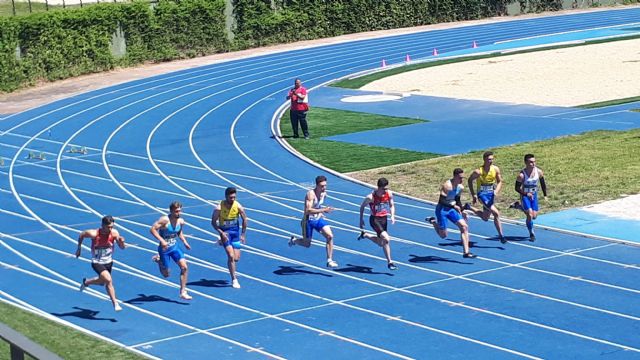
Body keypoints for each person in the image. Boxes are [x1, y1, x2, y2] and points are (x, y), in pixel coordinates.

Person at [76, 215, 126, 311]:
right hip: (97, 262)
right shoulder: (94, 233)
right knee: (108, 280)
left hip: (109, 261)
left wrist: (121, 242)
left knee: (103, 282)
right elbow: (82, 234)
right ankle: (115, 303)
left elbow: (122, 247)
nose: (110, 229)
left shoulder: (114, 233)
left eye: (112, 227)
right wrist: (79, 248)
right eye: (108, 227)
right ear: (102, 225)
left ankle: (86, 282)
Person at [289, 175, 338, 268]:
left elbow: (318, 206)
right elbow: (308, 210)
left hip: (318, 219)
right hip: (308, 221)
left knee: (330, 236)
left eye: (325, 185)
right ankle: (294, 240)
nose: (324, 188)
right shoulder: (310, 194)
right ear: (316, 185)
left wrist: (321, 212)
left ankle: (329, 260)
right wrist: (323, 210)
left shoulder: (324, 193)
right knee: (307, 244)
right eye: (322, 186)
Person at [426, 168, 477, 258]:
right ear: (455, 177)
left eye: (463, 178)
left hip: (451, 210)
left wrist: (462, 210)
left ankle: (466, 252)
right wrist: (453, 206)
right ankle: (433, 221)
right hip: (442, 210)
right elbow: (441, 201)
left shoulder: (460, 187)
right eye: (460, 178)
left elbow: (457, 200)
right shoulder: (447, 186)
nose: (462, 180)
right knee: (443, 235)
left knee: (464, 227)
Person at [150, 201, 192, 300]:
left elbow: (179, 232)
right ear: (171, 211)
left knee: (184, 267)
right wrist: (162, 241)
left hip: (174, 247)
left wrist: (185, 241)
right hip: (164, 250)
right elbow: (152, 229)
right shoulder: (164, 220)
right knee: (166, 274)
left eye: (180, 211)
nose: (179, 213)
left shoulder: (181, 221)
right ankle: (159, 261)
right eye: (176, 211)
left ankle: (183, 291)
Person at [465, 151, 506, 243]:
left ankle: (469, 207)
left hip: (490, 195)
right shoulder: (478, 171)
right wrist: (474, 194)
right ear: (484, 160)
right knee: (496, 213)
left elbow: (500, 181)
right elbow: (469, 180)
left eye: (492, 159)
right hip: (482, 195)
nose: (491, 161)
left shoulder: (495, 169)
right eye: (489, 159)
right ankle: (501, 236)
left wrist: (496, 191)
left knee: (485, 218)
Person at [358, 178, 398, 270]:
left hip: (384, 219)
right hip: (375, 219)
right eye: (384, 189)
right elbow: (362, 207)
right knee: (387, 239)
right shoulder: (370, 197)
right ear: (379, 188)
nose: (386, 190)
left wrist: (392, 216)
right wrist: (361, 220)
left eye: (387, 188)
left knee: (381, 243)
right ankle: (390, 262)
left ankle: (365, 235)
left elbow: (392, 205)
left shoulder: (389, 194)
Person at [211, 187, 248, 289]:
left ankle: (220, 242)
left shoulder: (238, 206)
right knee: (231, 256)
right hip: (225, 234)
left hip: (235, 234)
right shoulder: (219, 208)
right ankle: (234, 279)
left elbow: (245, 219)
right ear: (226, 196)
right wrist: (221, 232)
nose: (233, 199)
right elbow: (213, 222)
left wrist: (243, 234)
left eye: (234, 197)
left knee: (236, 258)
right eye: (231, 197)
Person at [510, 154, 547, 241]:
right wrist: (526, 194)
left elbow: (542, 183)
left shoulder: (539, 172)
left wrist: (545, 195)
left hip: (534, 195)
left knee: (534, 216)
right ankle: (531, 233)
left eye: (534, 162)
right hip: (525, 195)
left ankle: (518, 206)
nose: (533, 164)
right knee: (529, 215)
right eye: (531, 162)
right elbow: (516, 188)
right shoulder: (521, 175)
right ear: (526, 163)